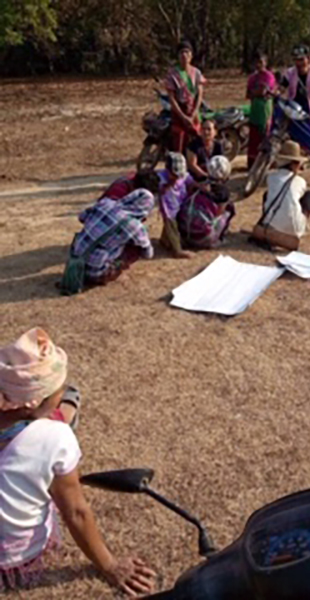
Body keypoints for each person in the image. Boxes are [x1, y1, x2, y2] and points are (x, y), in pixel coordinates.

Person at [0, 328, 155, 595]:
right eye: (59, 389)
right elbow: (76, 513)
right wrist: (110, 565)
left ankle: (62, 413)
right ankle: (64, 414)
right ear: (34, 401)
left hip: (27, 417)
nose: (63, 389)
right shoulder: (55, 439)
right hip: (12, 555)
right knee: (55, 437)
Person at [71, 188, 155, 286]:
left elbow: (81, 217)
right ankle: (102, 274)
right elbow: (148, 254)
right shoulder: (134, 225)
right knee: (135, 247)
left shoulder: (105, 203)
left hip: (74, 259)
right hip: (95, 273)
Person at [250, 141, 310, 251]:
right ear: (295, 164)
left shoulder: (271, 178)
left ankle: (268, 221)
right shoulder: (300, 181)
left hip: (272, 225)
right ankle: (303, 225)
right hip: (294, 229)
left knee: (268, 195)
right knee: (309, 196)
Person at [280, 46, 310, 187]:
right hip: (293, 110)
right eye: (296, 60)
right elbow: (282, 88)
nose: (299, 63)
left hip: (309, 111)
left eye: (301, 59)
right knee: (294, 141)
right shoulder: (290, 73)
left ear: (309, 58)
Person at [177, 156, 235, 249]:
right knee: (229, 208)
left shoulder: (199, 184)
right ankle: (218, 238)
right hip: (202, 238)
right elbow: (218, 214)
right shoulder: (223, 192)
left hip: (185, 234)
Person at [165, 40, 205, 152]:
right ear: (177, 56)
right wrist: (183, 116)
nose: (184, 55)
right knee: (179, 140)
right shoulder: (172, 74)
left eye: (187, 52)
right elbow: (171, 98)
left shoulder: (196, 73)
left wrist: (193, 114)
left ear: (191, 55)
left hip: (193, 112)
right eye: (181, 52)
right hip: (179, 113)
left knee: (196, 142)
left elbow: (199, 94)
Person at [157, 152, 197, 259]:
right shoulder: (162, 177)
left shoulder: (183, 175)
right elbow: (160, 189)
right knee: (172, 226)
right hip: (168, 207)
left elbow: (191, 182)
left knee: (174, 225)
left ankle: (165, 240)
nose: (177, 177)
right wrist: (170, 183)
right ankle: (177, 250)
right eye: (174, 174)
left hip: (180, 203)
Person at [246, 52, 277, 169]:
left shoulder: (269, 76)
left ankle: (266, 164)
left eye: (261, 62)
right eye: (257, 62)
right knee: (253, 138)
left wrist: (257, 92)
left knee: (265, 135)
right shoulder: (252, 78)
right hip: (255, 110)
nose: (258, 65)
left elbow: (263, 91)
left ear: (265, 63)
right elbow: (249, 94)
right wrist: (258, 92)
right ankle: (252, 165)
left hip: (265, 111)